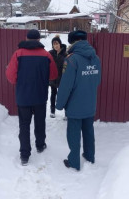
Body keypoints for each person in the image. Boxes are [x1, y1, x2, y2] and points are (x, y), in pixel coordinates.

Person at [6, 29, 58, 166]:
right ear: (39, 40)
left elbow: (11, 77)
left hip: (23, 97)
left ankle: (24, 155)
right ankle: (40, 145)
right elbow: (53, 75)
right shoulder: (46, 55)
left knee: (24, 125)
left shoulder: (18, 54)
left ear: (26, 38)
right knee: (40, 122)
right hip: (40, 96)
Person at [56, 30, 101, 171]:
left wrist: (59, 104)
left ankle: (74, 162)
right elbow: (97, 81)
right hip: (90, 102)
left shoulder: (71, 60)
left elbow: (65, 86)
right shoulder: (96, 59)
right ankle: (89, 156)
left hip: (75, 105)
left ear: (72, 42)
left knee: (74, 134)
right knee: (88, 131)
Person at [48, 35, 67, 118]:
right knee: (53, 94)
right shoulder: (50, 54)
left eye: (57, 43)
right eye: (54, 44)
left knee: (64, 95)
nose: (55, 45)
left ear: (60, 44)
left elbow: (67, 66)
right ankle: (52, 111)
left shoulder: (65, 54)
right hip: (53, 78)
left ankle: (66, 113)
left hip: (62, 79)